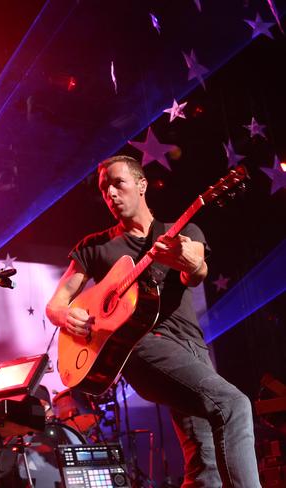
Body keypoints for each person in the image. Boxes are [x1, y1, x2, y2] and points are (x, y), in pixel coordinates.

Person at [46, 155, 260, 487]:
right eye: (105, 189)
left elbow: (197, 273)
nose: (111, 194)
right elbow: (56, 304)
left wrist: (188, 261)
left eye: (118, 183)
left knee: (206, 464)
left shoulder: (185, 231)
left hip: (191, 349)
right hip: (140, 348)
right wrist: (65, 314)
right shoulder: (93, 247)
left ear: (142, 185)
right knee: (233, 404)